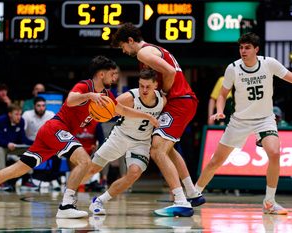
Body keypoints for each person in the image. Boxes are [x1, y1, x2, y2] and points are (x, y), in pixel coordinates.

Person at [0, 55, 159, 219]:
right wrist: (89, 96)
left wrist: (147, 115)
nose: (114, 77)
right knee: (83, 159)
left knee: (18, 169)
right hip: (56, 127)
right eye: (112, 74)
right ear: (102, 73)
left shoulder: (107, 95)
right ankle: (66, 206)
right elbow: (71, 100)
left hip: (54, 135)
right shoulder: (85, 85)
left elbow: (122, 109)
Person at [112, 23, 204, 217]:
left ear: (130, 40)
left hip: (179, 101)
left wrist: (165, 93)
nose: (124, 51)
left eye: (123, 46)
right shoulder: (154, 49)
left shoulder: (143, 53)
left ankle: (180, 201)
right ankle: (192, 193)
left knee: (157, 149)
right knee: (167, 149)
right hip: (184, 102)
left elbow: (170, 72)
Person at [195, 32, 292, 215]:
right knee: (216, 161)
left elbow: (290, 77)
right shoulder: (233, 68)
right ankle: (193, 194)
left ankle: (269, 202)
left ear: (256, 49)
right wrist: (220, 110)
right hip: (239, 121)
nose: (243, 51)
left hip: (264, 119)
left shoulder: (269, 63)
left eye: (247, 47)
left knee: (274, 152)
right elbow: (222, 95)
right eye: (241, 47)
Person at [85, 68, 165, 215]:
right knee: (92, 169)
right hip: (120, 137)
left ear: (156, 85)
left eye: (148, 86)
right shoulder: (129, 97)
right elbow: (110, 110)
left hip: (141, 142)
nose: (144, 90)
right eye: (141, 86)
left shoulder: (162, 100)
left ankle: (100, 201)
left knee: (133, 173)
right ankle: (68, 197)